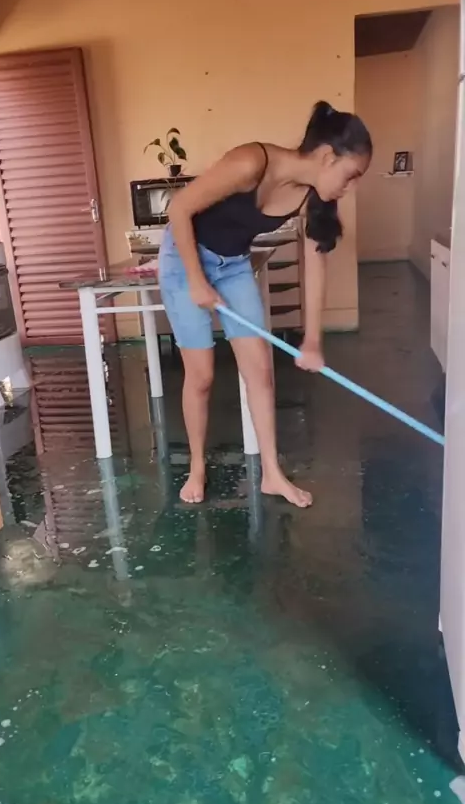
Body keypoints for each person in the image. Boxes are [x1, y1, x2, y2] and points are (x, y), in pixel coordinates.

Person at [159, 101, 372, 505]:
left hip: (234, 265)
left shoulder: (313, 197)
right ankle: (197, 467)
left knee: (260, 373)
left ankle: (272, 474)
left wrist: (313, 340)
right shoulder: (250, 163)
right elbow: (179, 208)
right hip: (183, 259)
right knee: (201, 376)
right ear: (328, 157)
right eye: (351, 176)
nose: (351, 187)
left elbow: (316, 264)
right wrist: (197, 280)